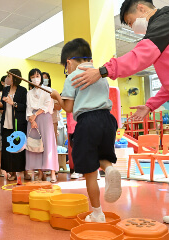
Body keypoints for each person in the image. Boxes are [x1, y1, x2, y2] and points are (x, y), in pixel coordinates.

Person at [71, 0, 169, 228]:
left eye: (130, 21)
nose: (132, 26)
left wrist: (104, 70)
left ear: (142, 9)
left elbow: (140, 56)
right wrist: (150, 105)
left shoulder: (165, 21)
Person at [51, 38, 121, 222]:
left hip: (88, 122)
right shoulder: (100, 76)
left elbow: (68, 108)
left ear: (68, 62)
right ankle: (110, 169)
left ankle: (97, 213)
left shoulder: (72, 77)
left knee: (90, 171)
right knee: (103, 157)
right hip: (108, 120)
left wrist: (57, 96)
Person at [0, 69, 27, 181]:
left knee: (19, 148)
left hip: (18, 123)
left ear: (15, 78)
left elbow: (24, 107)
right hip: (6, 122)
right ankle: (10, 172)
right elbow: (3, 105)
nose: (7, 78)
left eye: (9, 76)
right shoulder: (6, 89)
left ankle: (20, 171)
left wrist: (14, 103)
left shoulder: (23, 90)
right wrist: (0, 104)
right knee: (8, 149)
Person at [26, 69, 58, 183]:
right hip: (32, 121)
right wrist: (31, 119)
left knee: (48, 144)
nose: (35, 78)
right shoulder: (29, 93)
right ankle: (40, 173)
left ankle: (53, 173)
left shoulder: (48, 90)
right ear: (30, 78)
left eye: (37, 75)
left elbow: (46, 105)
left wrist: (35, 115)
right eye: (33, 76)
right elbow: (28, 107)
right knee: (35, 145)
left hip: (44, 117)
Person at [42, 72, 61, 145]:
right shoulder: (37, 93)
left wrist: (48, 103)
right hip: (41, 120)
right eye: (42, 77)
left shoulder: (54, 92)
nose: (44, 79)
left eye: (46, 77)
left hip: (52, 120)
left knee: (52, 142)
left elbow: (59, 107)